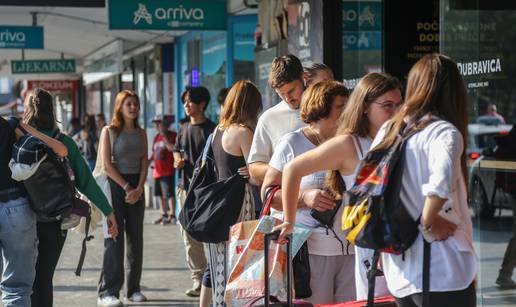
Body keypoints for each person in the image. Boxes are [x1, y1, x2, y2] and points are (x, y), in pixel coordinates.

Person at [272, 72, 402, 302]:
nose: (396, 112)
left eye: (399, 105)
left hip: (389, 248)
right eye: (388, 105)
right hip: (344, 249)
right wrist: (291, 219)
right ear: (364, 107)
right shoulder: (348, 144)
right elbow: (290, 171)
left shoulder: (398, 139)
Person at [20, 88, 118, 307]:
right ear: (52, 111)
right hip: (56, 219)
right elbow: (86, 182)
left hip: (24, 219)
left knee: (24, 280)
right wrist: (108, 211)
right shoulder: (66, 144)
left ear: (28, 109)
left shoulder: (20, 140)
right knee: (44, 279)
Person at [262, 80, 352, 304]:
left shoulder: (350, 142)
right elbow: (268, 193)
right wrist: (304, 198)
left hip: (352, 247)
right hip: (311, 251)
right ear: (322, 108)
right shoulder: (293, 143)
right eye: (341, 106)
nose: (348, 111)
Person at [200, 80, 263, 307]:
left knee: (220, 270)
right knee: (240, 269)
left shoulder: (218, 130)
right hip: (240, 206)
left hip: (219, 207)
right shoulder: (243, 132)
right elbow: (256, 175)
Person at [0, 115, 68, 307]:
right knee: (17, 288)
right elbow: (60, 150)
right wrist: (24, 127)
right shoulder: (11, 125)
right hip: (16, 206)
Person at [97, 90, 148, 307]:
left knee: (136, 239)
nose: (133, 107)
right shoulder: (109, 131)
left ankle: (133, 289)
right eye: (128, 103)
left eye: (135, 103)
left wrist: (138, 188)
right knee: (114, 238)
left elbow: (144, 161)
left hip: (137, 186)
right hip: (116, 186)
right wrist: (127, 187)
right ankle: (107, 292)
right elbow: (107, 165)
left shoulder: (141, 132)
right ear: (119, 106)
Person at [173, 86, 216, 297]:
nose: (186, 105)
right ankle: (198, 279)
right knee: (189, 237)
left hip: (206, 191)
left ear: (202, 104)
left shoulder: (212, 129)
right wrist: (177, 160)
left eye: (190, 101)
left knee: (209, 236)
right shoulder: (182, 129)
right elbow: (176, 150)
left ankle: (213, 276)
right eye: (185, 102)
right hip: (185, 190)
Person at [248, 54, 307, 185]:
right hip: (287, 200)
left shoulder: (326, 108)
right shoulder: (268, 118)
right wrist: (286, 171)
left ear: (304, 78)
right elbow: (254, 167)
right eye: (281, 94)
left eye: (291, 91)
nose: (287, 98)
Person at [149, 115, 177, 225]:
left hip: (167, 170)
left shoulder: (172, 135)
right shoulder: (156, 137)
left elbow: (173, 149)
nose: (157, 126)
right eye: (156, 124)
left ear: (165, 124)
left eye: (159, 123)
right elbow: (154, 152)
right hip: (157, 171)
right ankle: (163, 214)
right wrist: (149, 161)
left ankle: (172, 214)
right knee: (160, 194)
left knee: (169, 194)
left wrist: (165, 138)